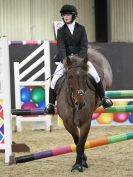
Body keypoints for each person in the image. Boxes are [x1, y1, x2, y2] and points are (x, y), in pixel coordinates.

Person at [45, 4, 113, 114]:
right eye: (64, 15)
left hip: (80, 60)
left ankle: (104, 99)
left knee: (95, 75)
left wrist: (80, 60)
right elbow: (61, 47)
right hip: (66, 60)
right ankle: (51, 105)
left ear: (73, 16)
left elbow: (84, 45)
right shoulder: (61, 31)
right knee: (53, 81)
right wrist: (65, 60)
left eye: (68, 15)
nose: (65, 17)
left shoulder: (81, 29)